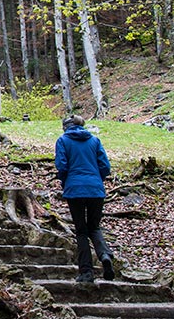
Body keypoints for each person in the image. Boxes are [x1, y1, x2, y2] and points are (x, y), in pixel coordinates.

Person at [55, 114, 115, 283]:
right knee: (94, 227)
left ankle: (86, 272)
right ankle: (104, 255)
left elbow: (62, 165)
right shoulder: (94, 141)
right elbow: (105, 166)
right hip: (96, 190)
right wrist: (96, 181)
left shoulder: (63, 141)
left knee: (81, 230)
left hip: (75, 190)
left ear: (65, 127)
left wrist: (66, 181)